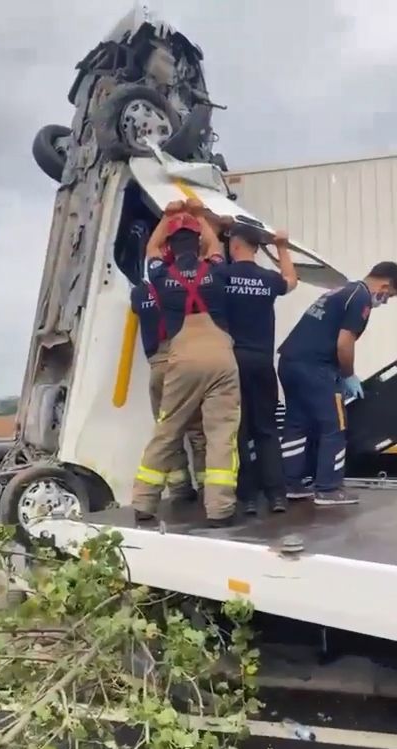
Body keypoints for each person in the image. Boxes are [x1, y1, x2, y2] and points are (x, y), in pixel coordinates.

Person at [132, 200, 240, 528]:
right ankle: (220, 509)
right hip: (222, 357)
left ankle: (143, 503)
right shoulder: (217, 269)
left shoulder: (161, 277)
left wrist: (168, 217)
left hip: (182, 358)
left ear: (170, 247)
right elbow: (215, 244)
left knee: (167, 430)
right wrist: (197, 215)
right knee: (221, 433)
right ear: (199, 245)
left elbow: (151, 246)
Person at [278, 261, 397, 506]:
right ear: (384, 284)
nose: (384, 300)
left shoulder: (341, 291)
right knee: (335, 427)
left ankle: (290, 484)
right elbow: (344, 343)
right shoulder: (361, 298)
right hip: (316, 368)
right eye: (388, 295)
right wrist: (348, 374)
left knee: (297, 424)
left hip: (290, 363)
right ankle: (328, 489)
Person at [225, 223, 298, 516]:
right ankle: (277, 496)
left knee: (239, 431)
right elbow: (291, 280)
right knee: (267, 430)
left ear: (235, 246)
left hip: (233, 363)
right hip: (262, 362)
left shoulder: (223, 275)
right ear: (256, 249)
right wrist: (281, 246)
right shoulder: (268, 279)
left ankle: (249, 498)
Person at [130, 263, 205, 501]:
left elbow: (135, 309)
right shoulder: (180, 288)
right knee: (196, 429)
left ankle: (179, 488)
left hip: (158, 368)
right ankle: (206, 486)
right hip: (183, 362)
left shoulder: (139, 294)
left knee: (167, 430)